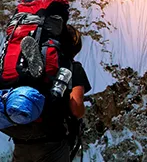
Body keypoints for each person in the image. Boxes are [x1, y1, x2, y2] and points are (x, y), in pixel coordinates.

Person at [11, 25, 91, 162]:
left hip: (21, 137)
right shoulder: (73, 67)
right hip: (52, 142)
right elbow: (76, 108)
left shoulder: (32, 66)